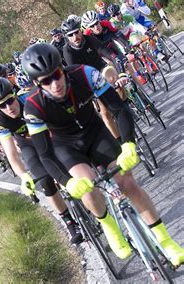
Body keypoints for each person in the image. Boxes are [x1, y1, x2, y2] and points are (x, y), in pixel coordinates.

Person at [21, 43, 183, 265]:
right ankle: (107, 223)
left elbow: (120, 109)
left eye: (56, 75)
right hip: (66, 146)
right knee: (87, 187)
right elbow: (45, 154)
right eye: (45, 81)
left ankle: (166, 242)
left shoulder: (85, 74)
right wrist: (67, 182)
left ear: (62, 68)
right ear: (36, 84)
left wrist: (128, 144)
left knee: (127, 181)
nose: (54, 83)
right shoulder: (32, 107)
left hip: (95, 133)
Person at [0, 77, 83, 244]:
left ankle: (86, 199)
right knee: (45, 180)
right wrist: (23, 176)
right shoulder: (0, 121)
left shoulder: (29, 99)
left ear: (15, 95)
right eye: (2, 105)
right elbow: (11, 155)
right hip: (28, 146)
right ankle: (69, 222)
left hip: (50, 136)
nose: (8, 108)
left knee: (66, 163)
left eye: (9, 101)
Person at [61, 17, 127, 141]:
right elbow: (74, 75)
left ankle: (125, 107)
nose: (75, 37)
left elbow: (111, 55)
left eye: (76, 32)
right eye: (70, 35)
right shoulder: (67, 51)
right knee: (105, 114)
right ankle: (120, 142)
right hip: (87, 80)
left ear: (81, 30)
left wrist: (122, 74)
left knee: (113, 76)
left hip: (101, 69)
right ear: (66, 37)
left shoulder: (90, 39)